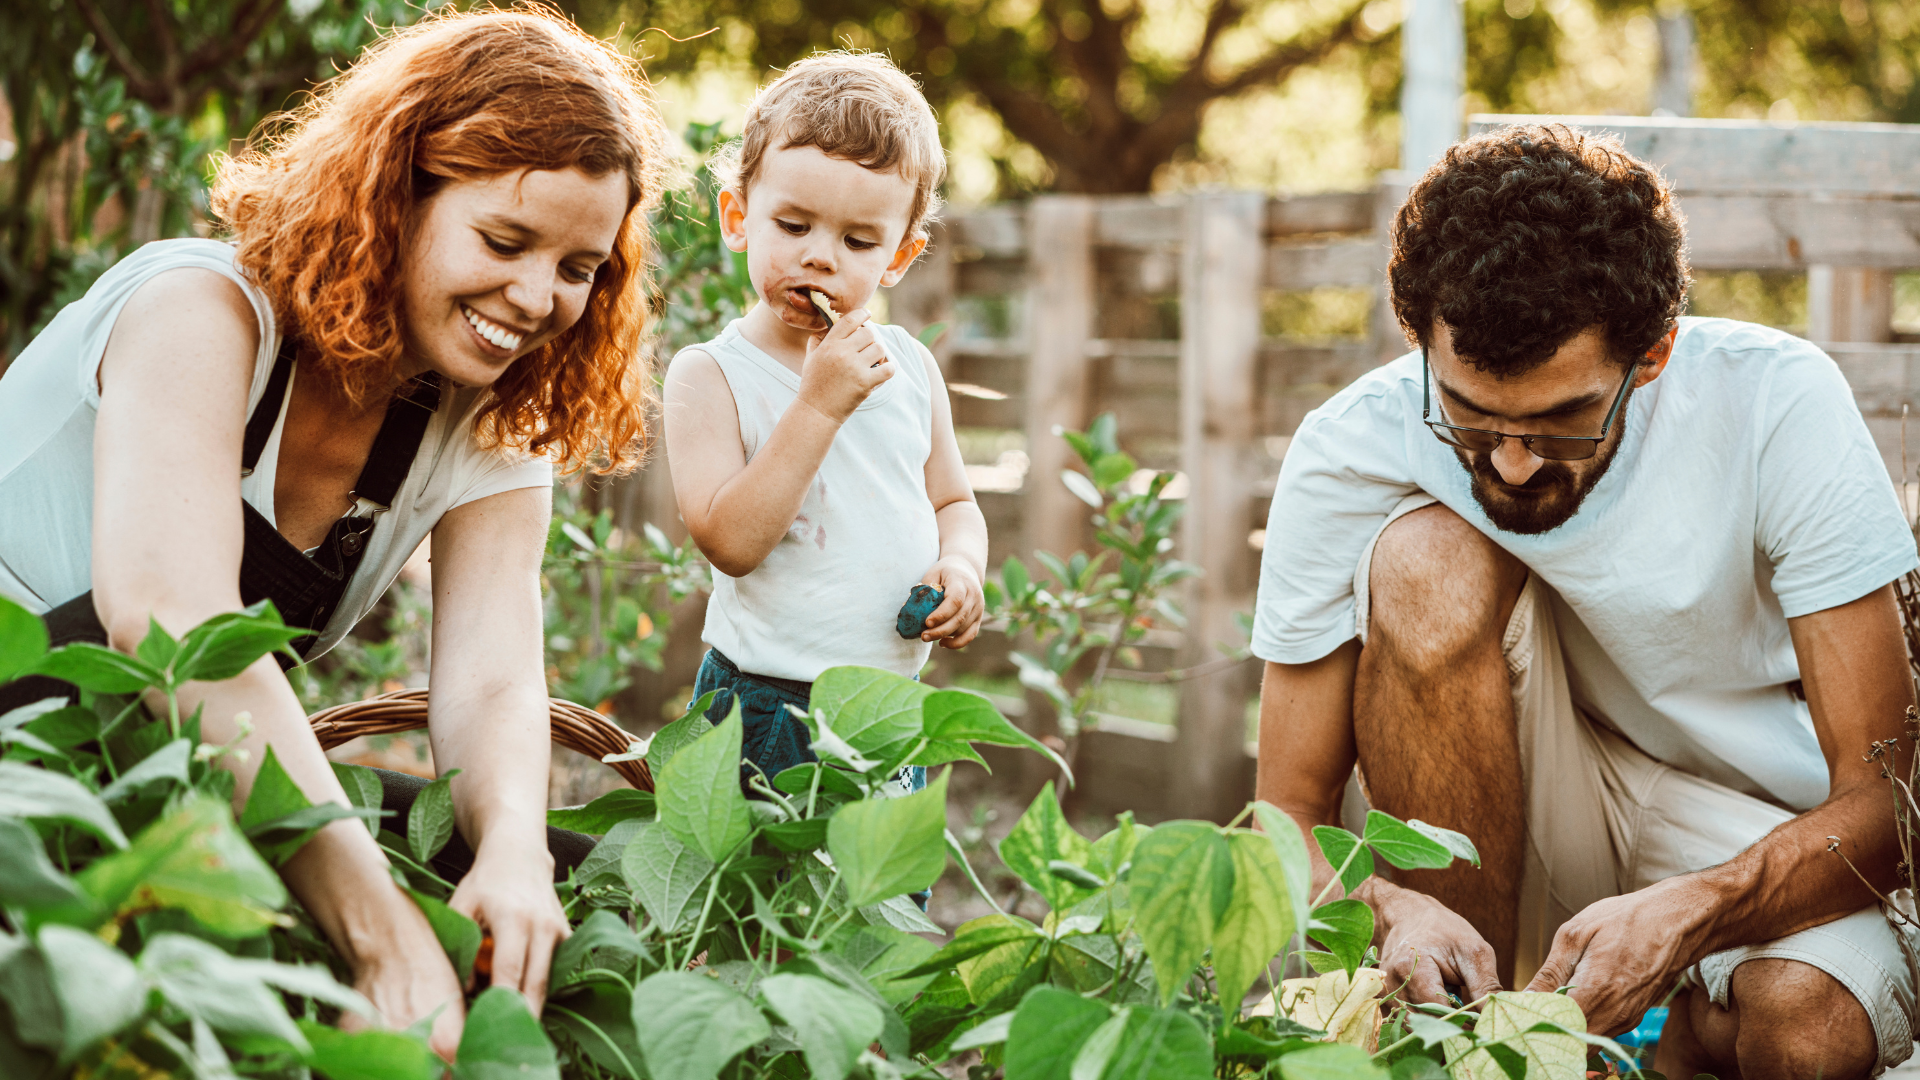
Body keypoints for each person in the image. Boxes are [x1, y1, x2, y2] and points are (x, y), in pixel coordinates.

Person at [0, 9, 667, 1058]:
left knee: (573, 892)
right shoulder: (200, 310)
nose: (537, 297)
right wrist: (384, 938)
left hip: (165, 768)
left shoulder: (482, 411)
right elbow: (171, 625)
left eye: (580, 268)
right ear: (395, 195)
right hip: (32, 738)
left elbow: (493, 683)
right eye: (505, 240)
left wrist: (517, 858)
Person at [1252, 123, 1918, 1078]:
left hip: (1764, 823)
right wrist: (1392, 910)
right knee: (1423, 558)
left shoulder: (1778, 404)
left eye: (1563, 420)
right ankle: (1474, 1042)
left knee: (1803, 1028)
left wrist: (1696, 911)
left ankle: (1685, 1035)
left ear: (1651, 357)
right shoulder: (1347, 449)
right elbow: (1284, 813)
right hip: (1529, 789)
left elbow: (1887, 800)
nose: (1514, 462)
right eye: (1471, 418)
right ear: (1419, 340)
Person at [662, 53, 987, 800]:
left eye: (858, 241)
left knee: (874, 906)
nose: (819, 256)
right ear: (739, 217)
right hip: (767, 706)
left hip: (886, 715)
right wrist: (817, 406)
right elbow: (731, 542)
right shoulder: (712, 375)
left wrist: (962, 567)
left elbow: (954, 505)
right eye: (793, 224)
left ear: (901, 256)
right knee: (746, 909)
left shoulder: (909, 366)